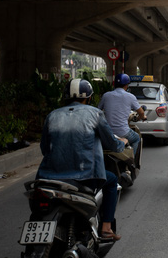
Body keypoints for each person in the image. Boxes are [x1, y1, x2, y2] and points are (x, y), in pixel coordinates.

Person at [37, 79, 127, 241]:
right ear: (89, 98)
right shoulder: (95, 113)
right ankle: (106, 228)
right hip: (85, 176)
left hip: (47, 177)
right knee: (112, 180)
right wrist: (122, 143)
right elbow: (111, 143)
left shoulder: (52, 115)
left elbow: (44, 148)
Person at [98, 73, 145, 161]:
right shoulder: (130, 97)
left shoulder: (106, 95)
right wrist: (142, 117)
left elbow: (98, 110)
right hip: (123, 133)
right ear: (127, 85)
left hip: (108, 133)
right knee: (136, 138)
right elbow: (141, 112)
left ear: (114, 84)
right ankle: (132, 161)